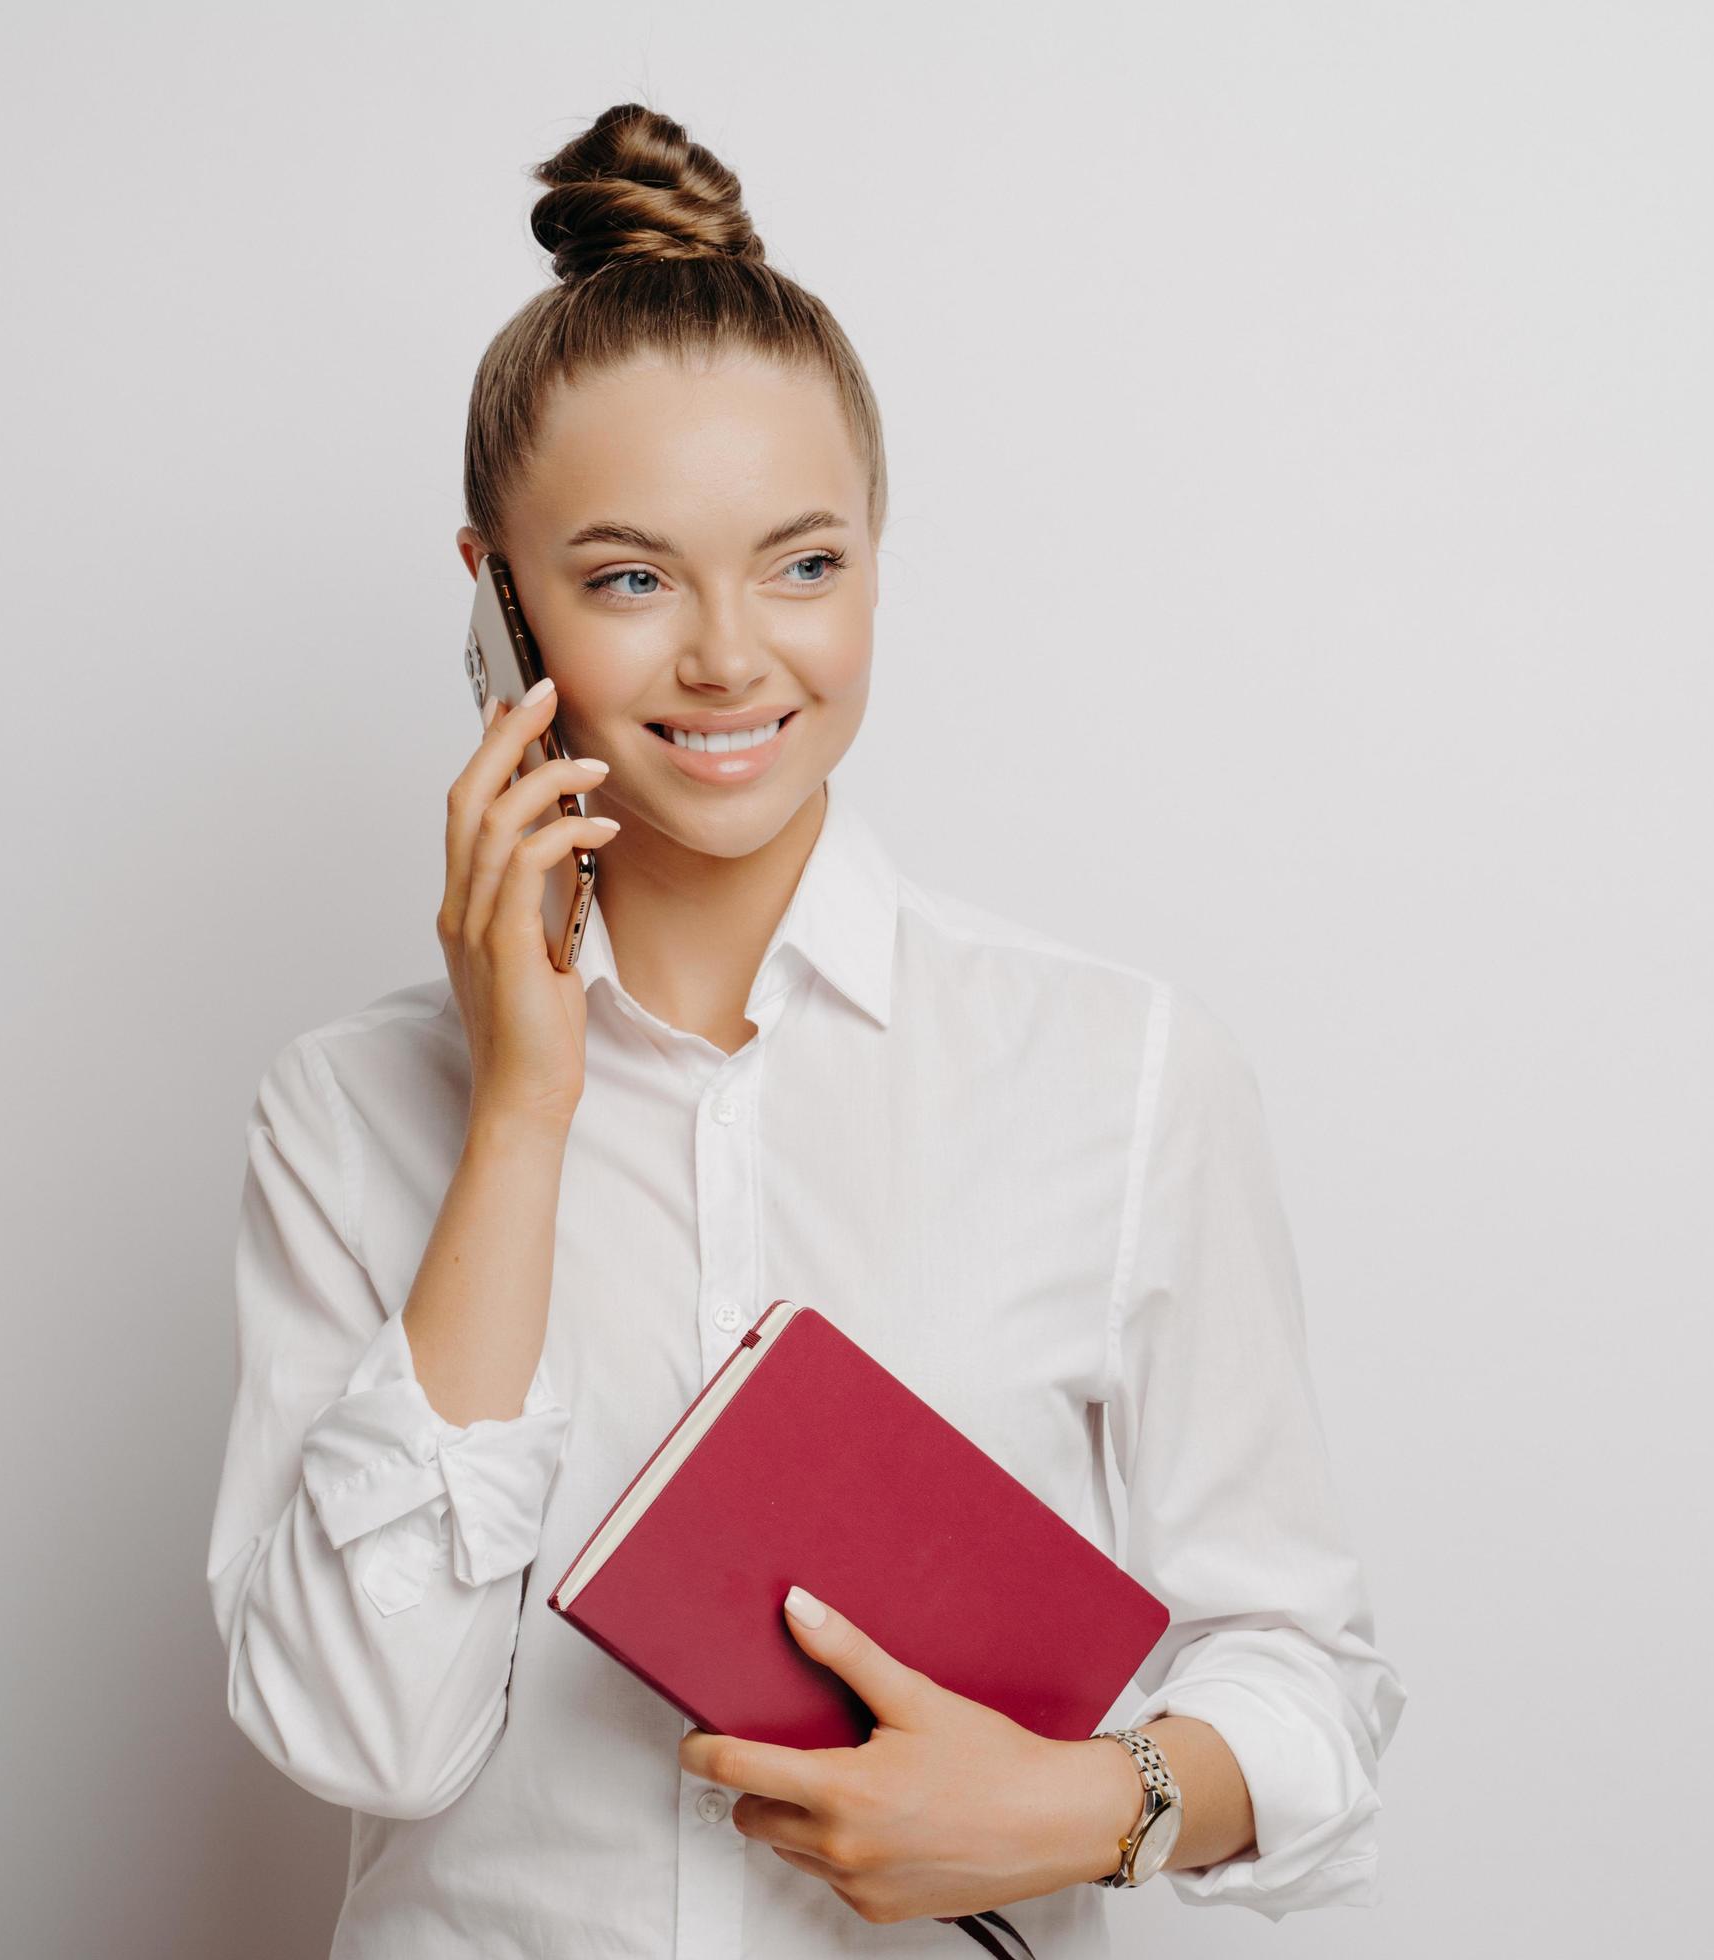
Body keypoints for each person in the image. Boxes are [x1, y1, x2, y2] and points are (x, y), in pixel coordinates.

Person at [204, 102, 1405, 1959]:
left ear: (874, 558)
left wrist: (1087, 1804)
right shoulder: (353, 1114)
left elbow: (1315, 1686)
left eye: (803, 562)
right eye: (625, 576)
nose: (729, 657)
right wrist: (520, 1120)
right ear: (496, 599)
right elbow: (363, 1734)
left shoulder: (1123, 1073)